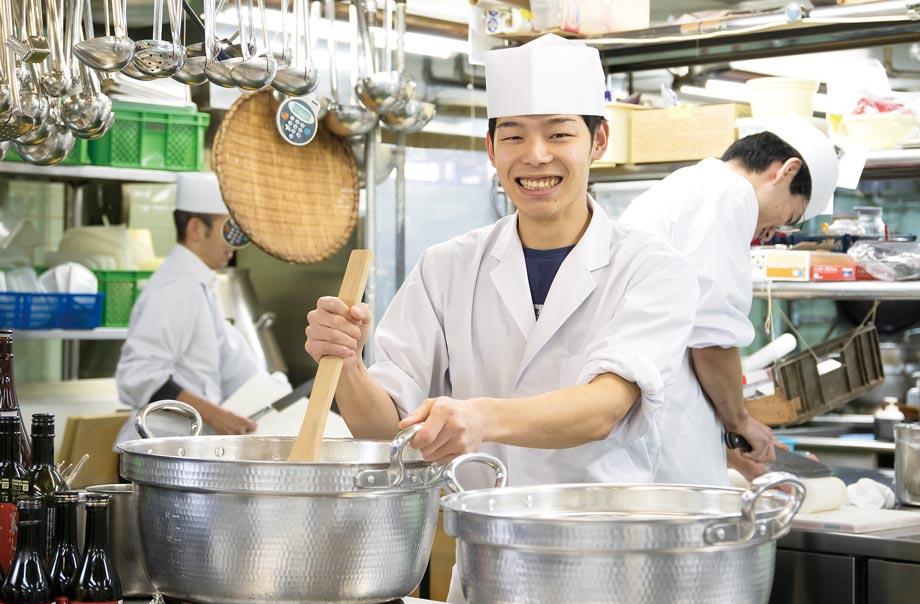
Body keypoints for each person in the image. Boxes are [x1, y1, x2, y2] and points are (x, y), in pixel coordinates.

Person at [306, 34, 699, 501]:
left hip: (601, 547)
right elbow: (385, 429)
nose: (535, 155)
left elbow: (605, 408)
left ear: (598, 141)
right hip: (482, 548)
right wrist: (347, 365)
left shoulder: (651, 269)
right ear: (491, 149)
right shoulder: (446, 267)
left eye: (559, 133)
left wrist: (482, 417)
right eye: (513, 135)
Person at [620, 117, 840, 482]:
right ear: (787, 171)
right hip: (656, 427)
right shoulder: (729, 192)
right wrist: (741, 420)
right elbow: (711, 336)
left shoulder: (692, 185)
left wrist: (731, 452)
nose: (775, 231)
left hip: (646, 419)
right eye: (792, 215)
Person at [115, 172, 259, 443]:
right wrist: (215, 415)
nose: (233, 244)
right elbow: (139, 375)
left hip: (181, 446)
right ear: (196, 228)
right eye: (228, 230)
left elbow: (227, 364)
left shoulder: (200, 283)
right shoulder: (176, 286)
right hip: (157, 449)